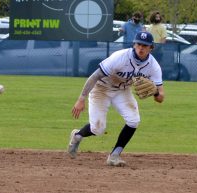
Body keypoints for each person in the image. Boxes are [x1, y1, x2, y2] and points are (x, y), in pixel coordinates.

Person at [68, 31, 165, 167]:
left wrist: (155, 92)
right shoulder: (120, 57)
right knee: (98, 129)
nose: (141, 48)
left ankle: (114, 156)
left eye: (145, 45)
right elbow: (95, 76)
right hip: (101, 89)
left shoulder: (153, 66)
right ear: (134, 44)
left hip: (122, 91)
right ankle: (77, 135)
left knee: (133, 120)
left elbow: (161, 97)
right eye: (139, 44)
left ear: (151, 48)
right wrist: (81, 98)